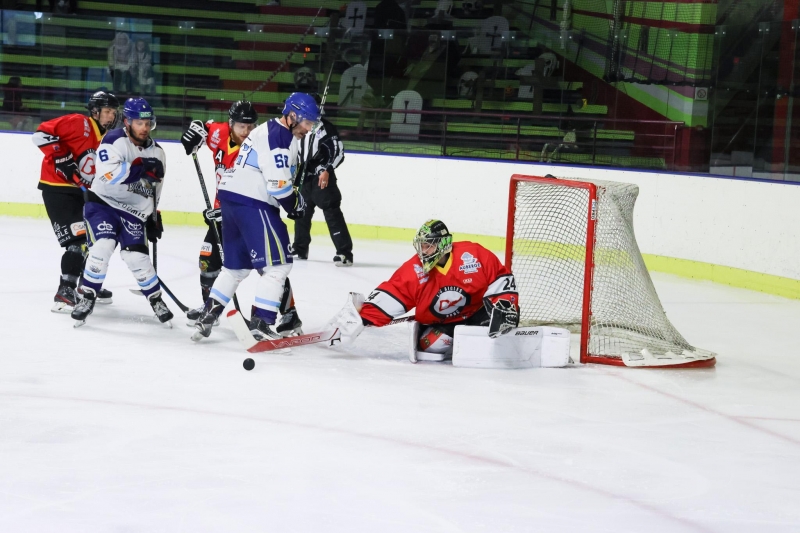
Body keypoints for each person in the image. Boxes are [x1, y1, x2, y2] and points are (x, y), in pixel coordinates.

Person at [191, 93, 319, 342]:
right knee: (278, 266)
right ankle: (261, 322)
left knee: (234, 268)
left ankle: (207, 316)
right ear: (292, 116)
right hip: (252, 202)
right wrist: (295, 205)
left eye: (312, 123)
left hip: (231, 198)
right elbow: (278, 186)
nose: (308, 128)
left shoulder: (272, 131)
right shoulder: (279, 136)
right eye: (306, 122)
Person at [328, 220, 520, 357]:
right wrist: (364, 317)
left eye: (428, 246)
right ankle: (464, 339)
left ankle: (475, 334)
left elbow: (499, 277)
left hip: (478, 312)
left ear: (443, 244)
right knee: (431, 346)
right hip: (443, 322)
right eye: (421, 246)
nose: (423, 252)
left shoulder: (473, 255)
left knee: (499, 331)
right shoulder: (414, 270)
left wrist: (505, 305)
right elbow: (395, 292)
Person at [71, 97, 172, 327]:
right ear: (127, 122)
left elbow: (154, 191)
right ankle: (87, 296)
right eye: (139, 123)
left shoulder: (158, 153)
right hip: (103, 203)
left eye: (148, 123)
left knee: (136, 257)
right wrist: (140, 168)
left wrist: (152, 217)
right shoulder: (113, 139)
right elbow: (108, 174)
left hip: (133, 212)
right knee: (103, 245)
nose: (144, 128)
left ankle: (156, 299)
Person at [32, 90, 119, 313]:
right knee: (78, 241)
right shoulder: (78, 123)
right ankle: (65, 290)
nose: (111, 116)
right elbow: (40, 134)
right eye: (107, 111)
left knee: (94, 240)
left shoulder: (109, 139)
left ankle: (86, 286)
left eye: (113, 112)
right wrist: (61, 157)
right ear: (95, 111)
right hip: (58, 189)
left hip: (83, 193)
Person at [290, 93, 353, 266]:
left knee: (332, 212)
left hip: (321, 177)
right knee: (301, 212)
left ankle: (344, 252)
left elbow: (338, 152)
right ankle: (300, 248)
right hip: (303, 175)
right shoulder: (298, 126)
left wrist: (327, 169)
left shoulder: (326, 128)